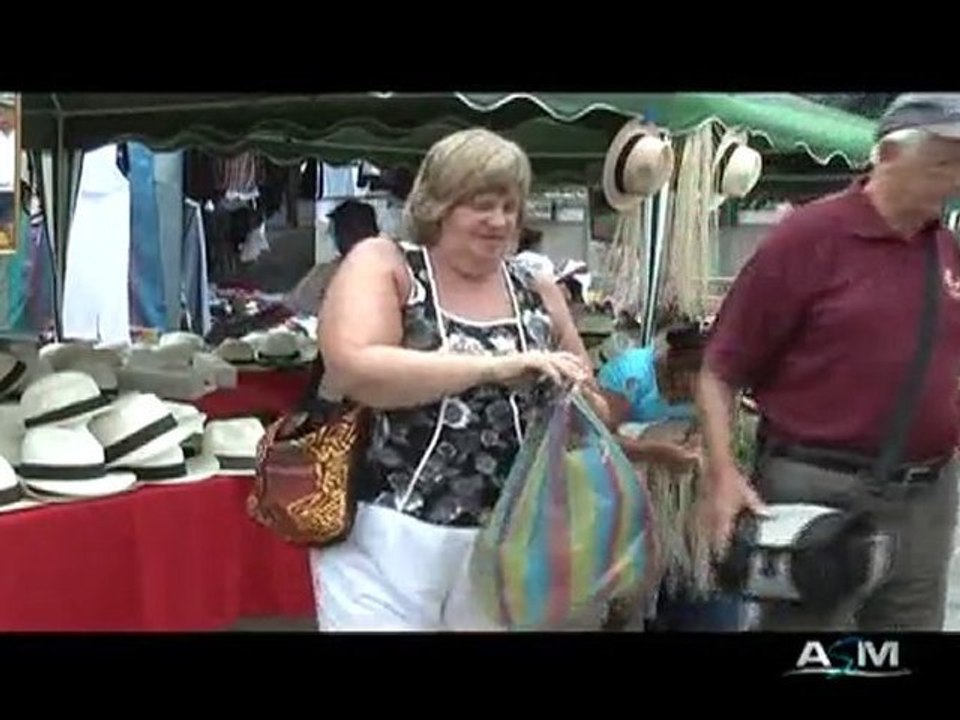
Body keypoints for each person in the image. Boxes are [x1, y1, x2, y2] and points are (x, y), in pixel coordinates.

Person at [312, 128, 606, 631]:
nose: (500, 220)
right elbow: (355, 369)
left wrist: (575, 394)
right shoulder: (388, 264)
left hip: (507, 541)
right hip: (389, 536)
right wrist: (493, 367)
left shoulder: (536, 288)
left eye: (509, 206)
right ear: (439, 205)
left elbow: (593, 408)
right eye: (481, 205)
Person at [698, 94, 960, 632]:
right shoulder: (809, 237)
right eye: (944, 163)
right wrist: (722, 474)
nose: (956, 179)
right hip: (816, 489)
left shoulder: (945, 248)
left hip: (925, 496)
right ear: (889, 155)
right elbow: (720, 370)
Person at [597, 321, 742, 631]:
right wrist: (653, 451)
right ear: (670, 369)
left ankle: (678, 594)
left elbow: (722, 432)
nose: (683, 398)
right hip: (629, 479)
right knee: (634, 574)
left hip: (685, 491)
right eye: (681, 388)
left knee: (693, 565)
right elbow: (595, 438)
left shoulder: (719, 381)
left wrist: (698, 442)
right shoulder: (629, 375)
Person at [285, 199, 379, 316]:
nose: (334, 235)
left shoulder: (382, 269)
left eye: (338, 230)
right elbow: (294, 303)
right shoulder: (326, 271)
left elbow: (300, 303)